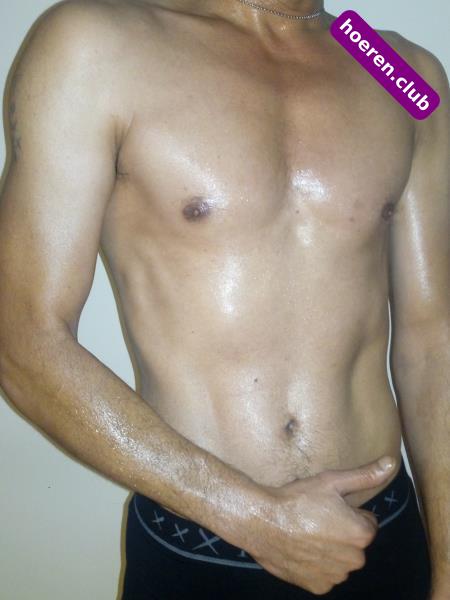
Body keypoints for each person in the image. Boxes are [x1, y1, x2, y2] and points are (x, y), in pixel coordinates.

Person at [0, 0, 448, 598]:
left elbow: (434, 339)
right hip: (204, 546)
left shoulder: (399, 67)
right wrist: (254, 519)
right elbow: (22, 336)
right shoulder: (95, 43)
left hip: (387, 535)